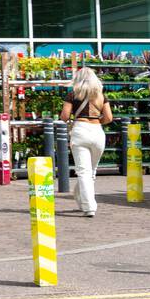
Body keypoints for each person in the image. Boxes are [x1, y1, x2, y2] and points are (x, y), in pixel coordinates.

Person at [61, 67, 112, 217]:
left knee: (84, 172)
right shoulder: (101, 95)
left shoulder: (72, 94)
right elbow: (108, 118)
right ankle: (82, 200)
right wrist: (96, 120)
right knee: (90, 172)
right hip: (97, 132)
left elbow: (64, 116)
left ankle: (89, 206)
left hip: (80, 130)